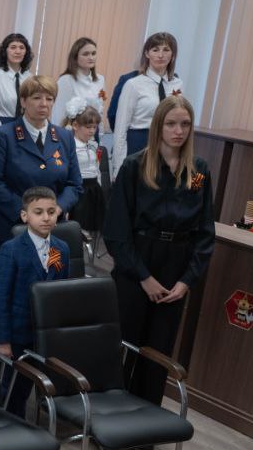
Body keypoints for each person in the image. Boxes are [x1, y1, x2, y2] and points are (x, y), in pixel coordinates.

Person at [103, 95, 213, 409]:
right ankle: (111, 415)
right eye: (171, 124)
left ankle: (146, 417)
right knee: (124, 344)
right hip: (137, 263)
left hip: (176, 266)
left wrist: (187, 281)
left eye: (185, 124)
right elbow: (116, 233)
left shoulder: (198, 172)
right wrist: (144, 277)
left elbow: (205, 233)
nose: (179, 131)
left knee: (158, 349)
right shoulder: (135, 166)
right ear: (158, 127)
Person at [0, 75, 82, 259]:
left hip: (50, 227)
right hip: (8, 227)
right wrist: (28, 212)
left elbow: (74, 184)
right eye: (36, 98)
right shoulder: (3, 135)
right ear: (23, 101)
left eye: (49, 99)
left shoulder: (64, 137)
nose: (44, 104)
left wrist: (56, 209)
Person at [0, 187, 69, 418]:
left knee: (39, 382)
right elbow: (1, 298)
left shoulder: (61, 248)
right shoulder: (11, 250)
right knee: (13, 388)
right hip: (17, 333)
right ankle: (10, 424)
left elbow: (61, 292)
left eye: (51, 212)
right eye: (38, 212)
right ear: (25, 216)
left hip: (45, 332)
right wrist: (3, 340)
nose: (46, 217)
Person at [113, 32, 184, 167]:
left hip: (166, 144)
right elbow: (120, 129)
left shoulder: (177, 84)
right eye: (155, 50)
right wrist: (119, 167)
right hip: (139, 142)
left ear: (173, 55)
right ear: (147, 54)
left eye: (166, 50)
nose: (161, 55)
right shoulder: (133, 84)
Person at [62, 98, 109, 236]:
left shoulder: (93, 145)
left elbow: (96, 169)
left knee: (94, 227)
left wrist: (99, 186)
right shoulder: (70, 146)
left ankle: (89, 248)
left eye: (95, 127)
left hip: (93, 190)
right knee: (77, 228)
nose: (92, 131)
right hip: (78, 191)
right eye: (88, 127)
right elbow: (66, 172)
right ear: (75, 125)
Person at [0, 33, 34, 129]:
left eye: (22, 48)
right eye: (13, 47)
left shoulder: (30, 77)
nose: (18, 51)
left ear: (26, 52)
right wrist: (3, 133)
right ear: (5, 51)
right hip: (0, 128)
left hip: (24, 128)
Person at [52, 37, 108, 127]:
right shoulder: (66, 80)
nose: (91, 57)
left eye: (93, 53)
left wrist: (100, 133)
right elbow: (59, 114)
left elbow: (100, 111)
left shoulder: (100, 80)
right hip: (72, 131)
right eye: (85, 54)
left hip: (93, 131)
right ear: (75, 57)